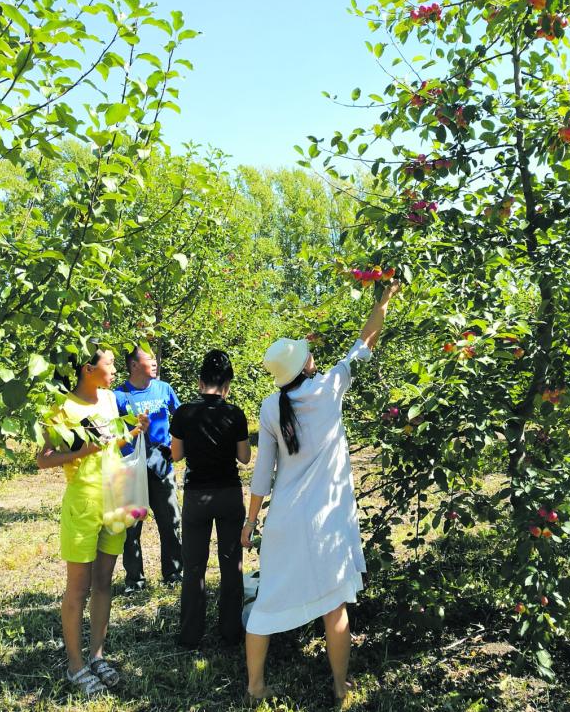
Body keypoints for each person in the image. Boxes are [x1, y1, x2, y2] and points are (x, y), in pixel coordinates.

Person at [242, 282, 401, 704]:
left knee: (266, 607)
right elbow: (365, 341)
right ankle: (339, 684)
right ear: (306, 365)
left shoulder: (270, 406)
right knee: (335, 608)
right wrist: (381, 302)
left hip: (284, 524)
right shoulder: (332, 386)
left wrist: (250, 521)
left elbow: (261, 474)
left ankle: (255, 688)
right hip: (326, 521)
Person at [36, 347, 148, 697]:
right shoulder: (61, 407)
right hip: (83, 502)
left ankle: (97, 655)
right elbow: (43, 459)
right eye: (110, 363)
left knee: (103, 582)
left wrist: (133, 433)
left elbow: (110, 445)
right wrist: (81, 452)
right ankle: (75, 665)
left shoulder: (112, 400)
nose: (115, 369)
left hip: (114, 497)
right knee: (78, 587)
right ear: (88, 368)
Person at [170, 350, 251, 648]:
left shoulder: (184, 413)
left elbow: (176, 455)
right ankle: (231, 632)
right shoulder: (235, 413)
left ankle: (191, 634)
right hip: (229, 493)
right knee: (232, 565)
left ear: (200, 381)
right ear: (227, 382)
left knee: (193, 566)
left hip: (196, 496)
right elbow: (244, 458)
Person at [115, 346, 183, 592]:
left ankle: (174, 574)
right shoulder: (118, 396)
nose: (155, 363)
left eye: (155, 358)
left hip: (161, 465)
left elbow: (181, 418)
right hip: (131, 468)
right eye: (149, 359)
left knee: (170, 520)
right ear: (134, 365)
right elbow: (112, 434)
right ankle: (135, 580)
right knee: (131, 528)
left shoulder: (164, 389)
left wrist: (173, 448)